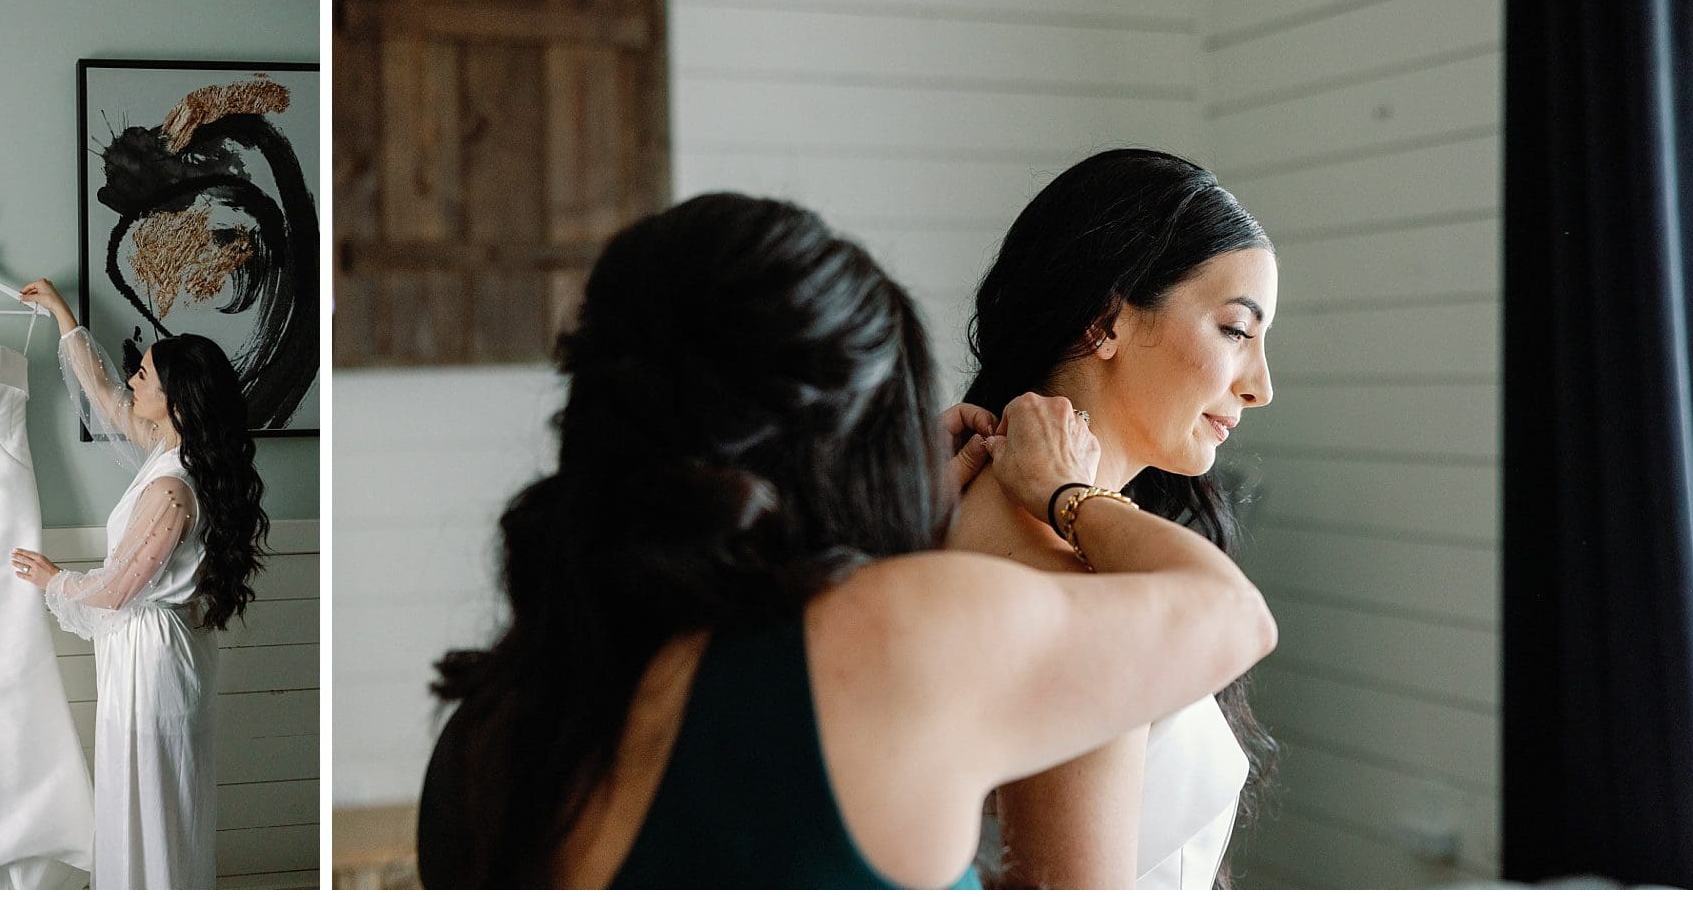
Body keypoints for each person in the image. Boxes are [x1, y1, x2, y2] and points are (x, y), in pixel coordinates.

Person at [414, 192, 1277, 888]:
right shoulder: (901, 624)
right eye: (1238, 328)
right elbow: (1232, 618)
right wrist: (1068, 495)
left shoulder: (489, 725)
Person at [949, 148, 1279, 889]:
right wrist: (1073, 500)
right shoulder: (1060, 573)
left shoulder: (976, 515)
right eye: (1235, 331)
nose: (1260, 386)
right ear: (1107, 320)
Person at [7, 278, 271, 889]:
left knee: (152, 799)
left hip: (152, 662)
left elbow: (117, 589)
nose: (132, 380)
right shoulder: (166, 449)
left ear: (174, 398)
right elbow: (101, 394)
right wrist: (61, 315)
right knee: (140, 793)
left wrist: (53, 580)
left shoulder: (172, 487)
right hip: (144, 651)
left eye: (145, 375)